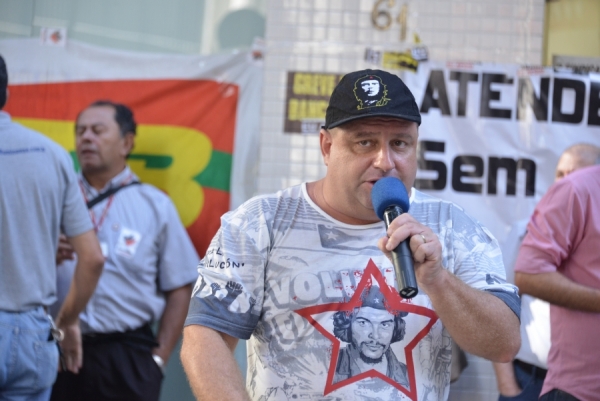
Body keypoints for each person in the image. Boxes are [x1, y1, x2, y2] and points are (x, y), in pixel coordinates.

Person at [181, 69, 521, 401]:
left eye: (400, 143)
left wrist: (438, 280)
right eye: (365, 142)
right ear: (327, 147)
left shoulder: (453, 227)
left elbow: (503, 344)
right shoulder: (260, 223)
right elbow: (205, 336)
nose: (385, 161)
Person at [49, 100, 199, 401]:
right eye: (81, 132)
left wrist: (158, 359)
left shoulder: (154, 205)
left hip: (128, 358)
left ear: (126, 142)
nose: (86, 138)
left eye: (97, 130)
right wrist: (44, 252)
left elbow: (181, 286)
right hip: (55, 350)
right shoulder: (52, 197)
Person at [0, 54, 104, 400]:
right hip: (32, 335)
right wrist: (68, 321)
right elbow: (92, 259)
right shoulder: (52, 155)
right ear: (6, 92)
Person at [493, 143, 600, 401]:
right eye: (561, 174)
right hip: (530, 377)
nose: (566, 181)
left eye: (574, 173)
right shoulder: (525, 230)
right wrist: (509, 387)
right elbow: (500, 302)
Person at [332, 285, 409, 387]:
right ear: (347, 325)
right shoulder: (325, 366)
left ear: (396, 329)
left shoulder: (408, 375)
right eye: (363, 323)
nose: (375, 336)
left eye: (385, 324)